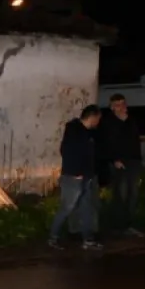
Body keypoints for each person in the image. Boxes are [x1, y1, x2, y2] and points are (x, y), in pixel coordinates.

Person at [48, 105, 103, 250]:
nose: (98, 122)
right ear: (92, 117)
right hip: (73, 178)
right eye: (98, 118)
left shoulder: (89, 133)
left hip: (86, 178)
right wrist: (76, 172)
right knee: (67, 208)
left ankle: (88, 240)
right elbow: (67, 151)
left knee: (86, 209)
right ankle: (53, 238)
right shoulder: (74, 130)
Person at [99, 93, 144, 237]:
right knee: (121, 193)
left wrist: (137, 160)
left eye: (123, 103)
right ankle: (118, 226)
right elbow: (106, 144)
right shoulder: (108, 123)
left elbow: (135, 141)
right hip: (118, 163)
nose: (122, 107)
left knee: (133, 194)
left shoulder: (131, 121)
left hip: (133, 162)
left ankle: (128, 225)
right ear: (112, 107)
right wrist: (114, 160)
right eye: (118, 105)